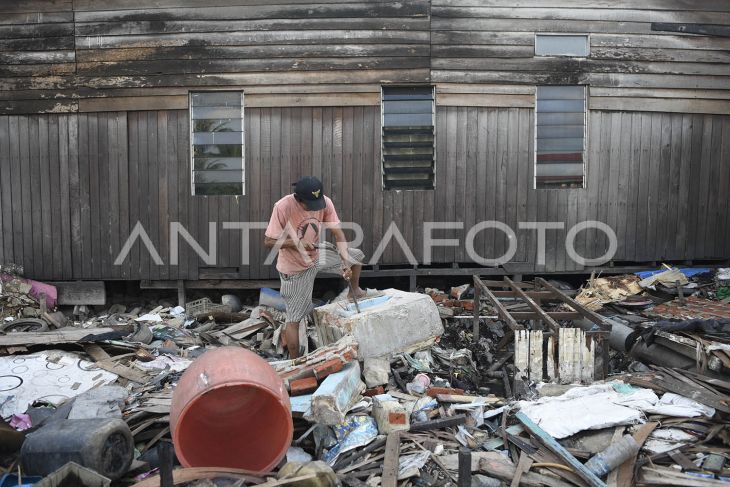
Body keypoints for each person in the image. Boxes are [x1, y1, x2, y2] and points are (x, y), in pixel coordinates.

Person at [264, 176, 365, 358]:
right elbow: (269, 241)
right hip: (294, 268)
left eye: (316, 203)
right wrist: (297, 244)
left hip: (317, 255)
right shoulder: (283, 206)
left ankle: (354, 291)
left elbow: (338, 234)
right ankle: (295, 363)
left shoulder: (325, 202)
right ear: (298, 199)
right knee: (294, 319)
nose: (314, 208)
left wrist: (344, 261)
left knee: (355, 257)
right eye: (309, 204)